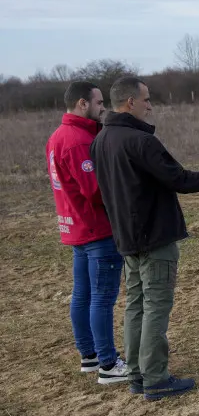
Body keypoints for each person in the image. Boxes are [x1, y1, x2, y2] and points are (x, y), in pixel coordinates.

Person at [91, 77, 199, 401]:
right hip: (154, 239)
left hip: (127, 239)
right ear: (130, 102)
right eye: (146, 99)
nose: (151, 105)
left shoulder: (102, 139)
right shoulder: (140, 141)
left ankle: (136, 373)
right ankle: (155, 377)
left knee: (135, 306)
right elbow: (179, 179)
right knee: (156, 308)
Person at [47, 81, 129, 384]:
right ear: (83, 104)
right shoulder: (78, 140)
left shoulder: (57, 136)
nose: (103, 108)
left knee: (82, 295)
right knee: (102, 298)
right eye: (98, 103)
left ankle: (90, 355)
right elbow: (95, 190)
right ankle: (108, 363)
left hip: (76, 228)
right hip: (96, 229)